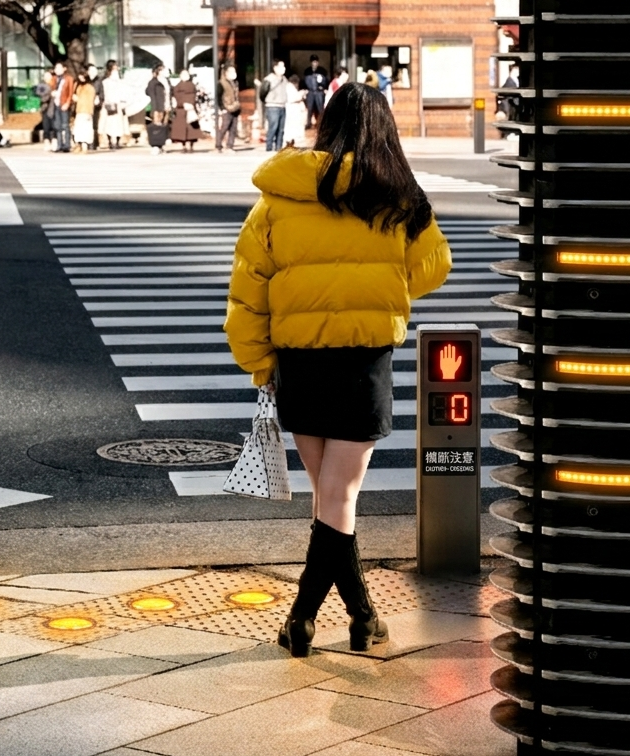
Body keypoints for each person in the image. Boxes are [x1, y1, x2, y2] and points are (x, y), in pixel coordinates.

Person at [223, 83, 452, 658]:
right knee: (340, 498)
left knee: (329, 499)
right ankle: (308, 618)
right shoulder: (398, 198)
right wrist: (380, 283)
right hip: (363, 362)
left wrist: (259, 363)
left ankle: (357, 617)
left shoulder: (279, 197)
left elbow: (247, 290)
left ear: (324, 124)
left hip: (298, 363)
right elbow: (433, 268)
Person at [97, 60, 128, 150]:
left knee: (119, 124)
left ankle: (117, 141)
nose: (116, 70)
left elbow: (123, 93)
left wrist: (123, 102)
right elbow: (103, 93)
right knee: (108, 124)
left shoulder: (120, 82)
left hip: (118, 105)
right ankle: (110, 140)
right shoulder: (105, 81)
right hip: (108, 105)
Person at [169, 69, 200, 152]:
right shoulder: (177, 86)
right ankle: (183, 145)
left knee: (192, 129)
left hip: (191, 108)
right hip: (181, 109)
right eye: (183, 74)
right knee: (181, 129)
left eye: (186, 74)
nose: (185, 76)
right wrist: (182, 103)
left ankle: (191, 145)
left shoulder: (192, 85)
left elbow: (194, 95)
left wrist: (190, 103)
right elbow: (176, 95)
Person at [260, 60, 288, 151]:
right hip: (272, 106)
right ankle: (269, 147)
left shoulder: (284, 79)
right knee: (273, 127)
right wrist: (267, 101)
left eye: (284, 66)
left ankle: (278, 147)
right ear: (275, 68)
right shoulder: (269, 79)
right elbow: (262, 92)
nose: (283, 69)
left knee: (281, 128)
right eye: (281, 66)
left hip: (282, 106)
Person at [50, 61, 75, 153]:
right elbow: (50, 89)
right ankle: (59, 144)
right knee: (58, 126)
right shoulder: (54, 79)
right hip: (56, 103)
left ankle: (67, 145)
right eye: (56, 68)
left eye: (59, 68)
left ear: (64, 69)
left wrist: (67, 103)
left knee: (65, 125)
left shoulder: (68, 79)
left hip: (64, 103)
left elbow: (70, 92)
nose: (57, 70)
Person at [216, 64, 241, 153]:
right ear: (226, 73)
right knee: (224, 127)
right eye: (231, 72)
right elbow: (218, 96)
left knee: (233, 128)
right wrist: (222, 108)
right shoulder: (221, 83)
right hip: (226, 108)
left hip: (235, 108)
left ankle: (230, 146)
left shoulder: (235, 83)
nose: (234, 74)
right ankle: (218, 145)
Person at [145, 64, 169, 155]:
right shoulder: (153, 82)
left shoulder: (166, 81)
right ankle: (155, 145)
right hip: (157, 106)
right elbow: (150, 94)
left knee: (163, 127)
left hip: (165, 106)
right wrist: (154, 109)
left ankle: (161, 145)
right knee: (156, 126)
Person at [72, 72, 97, 152]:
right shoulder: (78, 86)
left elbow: (90, 101)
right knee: (78, 129)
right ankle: (79, 145)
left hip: (86, 111)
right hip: (79, 111)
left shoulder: (90, 88)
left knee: (85, 129)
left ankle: (84, 146)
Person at [283, 73, 308, 148]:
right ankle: (292, 140)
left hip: (295, 108)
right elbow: (292, 98)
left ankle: (294, 139)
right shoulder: (289, 87)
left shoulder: (291, 87)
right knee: (292, 125)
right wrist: (302, 93)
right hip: (292, 108)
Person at [303, 54, 327, 129]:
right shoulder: (307, 71)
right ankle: (308, 123)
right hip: (310, 92)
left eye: (316, 62)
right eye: (313, 62)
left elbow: (326, 81)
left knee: (320, 108)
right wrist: (305, 89)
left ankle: (321, 124)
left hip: (319, 92)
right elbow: (304, 82)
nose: (314, 63)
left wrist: (322, 86)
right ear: (311, 62)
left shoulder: (322, 71)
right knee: (309, 108)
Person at [36, 69, 56, 151]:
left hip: (54, 108)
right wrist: (49, 94)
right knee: (46, 125)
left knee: (54, 125)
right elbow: (39, 94)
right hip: (45, 108)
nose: (47, 78)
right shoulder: (41, 85)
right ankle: (47, 141)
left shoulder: (55, 84)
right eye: (46, 76)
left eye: (49, 76)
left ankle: (54, 141)